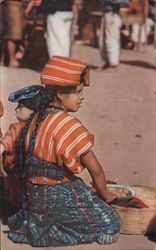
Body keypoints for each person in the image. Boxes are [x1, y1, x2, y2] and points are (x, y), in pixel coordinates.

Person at [6, 56, 121, 247]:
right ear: (60, 93)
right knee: (112, 224)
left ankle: (41, 226)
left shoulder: (35, 119)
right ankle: (48, 234)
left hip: (35, 193)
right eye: (78, 92)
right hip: (57, 192)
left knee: (78, 189)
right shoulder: (68, 125)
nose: (82, 97)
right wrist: (106, 195)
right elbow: (96, 170)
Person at [0, 85, 45, 215]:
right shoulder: (19, 128)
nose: (16, 110)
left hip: (18, 188)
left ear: (34, 111)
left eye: (21, 106)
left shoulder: (18, 129)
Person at [99, 0, 130, 69]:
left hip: (112, 14)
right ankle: (109, 61)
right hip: (109, 14)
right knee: (107, 40)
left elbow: (126, 2)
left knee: (111, 40)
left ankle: (113, 62)